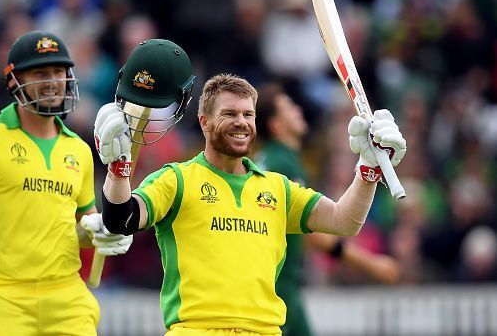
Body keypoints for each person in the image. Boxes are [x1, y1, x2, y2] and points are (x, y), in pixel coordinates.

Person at [95, 70, 406, 335]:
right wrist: (118, 172)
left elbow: (344, 221)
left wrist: (368, 171)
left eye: (248, 114)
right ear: (204, 122)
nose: (241, 122)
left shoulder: (277, 187)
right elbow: (120, 219)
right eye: (229, 114)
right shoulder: (176, 179)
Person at [0, 30, 133, 335]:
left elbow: (82, 227)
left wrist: (99, 230)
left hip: (68, 298)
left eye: (59, 71)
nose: (53, 80)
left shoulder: (78, 149)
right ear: (14, 81)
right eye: (41, 72)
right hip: (3, 296)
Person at [254, 83, 401, 336]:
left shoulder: (268, 160)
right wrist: (371, 264)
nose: (298, 110)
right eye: (288, 107)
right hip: (280, 284)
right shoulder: (283, 163)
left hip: (268, 281)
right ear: (276, 125)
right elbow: (313, 232)